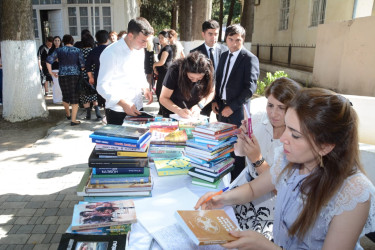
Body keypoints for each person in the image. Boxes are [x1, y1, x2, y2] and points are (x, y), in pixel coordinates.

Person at [195, 88, 375, 250]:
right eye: (287, 128)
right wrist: (222, 198)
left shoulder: (354, 194)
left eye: (295, 135)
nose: (283, 139)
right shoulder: (289, 160)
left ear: (325, 147)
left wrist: (264, 246)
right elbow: (253, 188)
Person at [232, 77, 302, 239]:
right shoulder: (258, 119)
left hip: (273, 204)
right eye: (270, 105)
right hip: (244, 187)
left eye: (281, 108)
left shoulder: (297, 139)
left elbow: (282, 188)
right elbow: (239, 153)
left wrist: (258, 159)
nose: (273, 113)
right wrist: (242, 139)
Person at [212, 24, 260, 180]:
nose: (233, 43)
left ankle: (236, 184)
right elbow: (219, 81)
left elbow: (250, 88)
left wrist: (231, 107)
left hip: (237, 111)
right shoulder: (224, 55)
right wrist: (215, 100)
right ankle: (222, 179)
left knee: (237, 151)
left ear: (243, 40)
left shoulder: (250, 59)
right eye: (230, 39)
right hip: (221, 109)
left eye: (237, 40)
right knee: (223, 146)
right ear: (226, 39)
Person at [97, 17, 153, 125]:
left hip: (137, 105)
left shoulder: (139, 50)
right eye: (143, 41)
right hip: (117, 110)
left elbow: (139, 72)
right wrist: (123, 103)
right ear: (130, 36)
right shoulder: (111, 53)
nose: (145, 45)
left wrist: (145, 88)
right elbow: (101, 86)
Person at [190, 19, 228, 119]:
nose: (213, 37)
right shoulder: (195, 53)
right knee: (200, 127)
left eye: (216, 34)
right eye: (210, 34)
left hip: (221, 99)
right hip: (202, 98)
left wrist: (216, 99)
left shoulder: (226, 51)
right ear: (203, 34)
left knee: (222, 128)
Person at [159, 51, 214, 118]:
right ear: (185, 71)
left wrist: (199, 106)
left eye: (200, 78)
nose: (195, 80)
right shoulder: (175, 70)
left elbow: (212, 92)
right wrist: (178, 111)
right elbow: (163, 98)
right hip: (173, 111)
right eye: (191, 77)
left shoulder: (208, 70)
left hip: (196, 113)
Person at [46, 34, 85, 126]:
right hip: (75, 76)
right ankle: (73, 120)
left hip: (62, 75)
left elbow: (48, 61)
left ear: (63, 41)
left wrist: (51, 73)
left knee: (65, 95)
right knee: (74, 97)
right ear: (72, 41)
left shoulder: (58, 50)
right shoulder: (77, 50)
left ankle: (68, 114)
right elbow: (83, 66)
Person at [80, 34, 101, 120]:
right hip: (93, 74)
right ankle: (98, 114)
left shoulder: (79, 51)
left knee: (85, 95)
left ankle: (88, 115)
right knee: (94, 94)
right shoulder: (94, 50)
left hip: (83, 75)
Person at [86, 30, 110, 109]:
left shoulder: (94, 51)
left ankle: (104, 111)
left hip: (98, 76)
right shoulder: (111, 49)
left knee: (101, 95)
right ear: (107, 39)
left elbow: (88, 65)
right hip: (111, 76)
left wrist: (90, 77)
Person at [152, 30, 173, 115]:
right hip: (163, 72)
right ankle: (162, 109)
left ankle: (164, 110)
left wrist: (154, 65)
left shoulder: (167, 48)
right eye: (159, 38)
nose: (160, 40)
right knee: (159, 92)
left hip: (165, 73)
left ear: (167, 38)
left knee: (160, 92)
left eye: (162, 38)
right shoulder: (163, 48)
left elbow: (162, 62)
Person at [47, 36, 63, 104]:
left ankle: (63, 99)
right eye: (55, 40)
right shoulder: (51, 50)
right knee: (56, 85)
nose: (57, 42)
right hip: (54, 69)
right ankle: (57, 100)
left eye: (58, 40)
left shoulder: (62, 49)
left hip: (62, 69)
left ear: (60, 41)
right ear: (53, 42)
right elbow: (48, 61)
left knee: (62, 85)